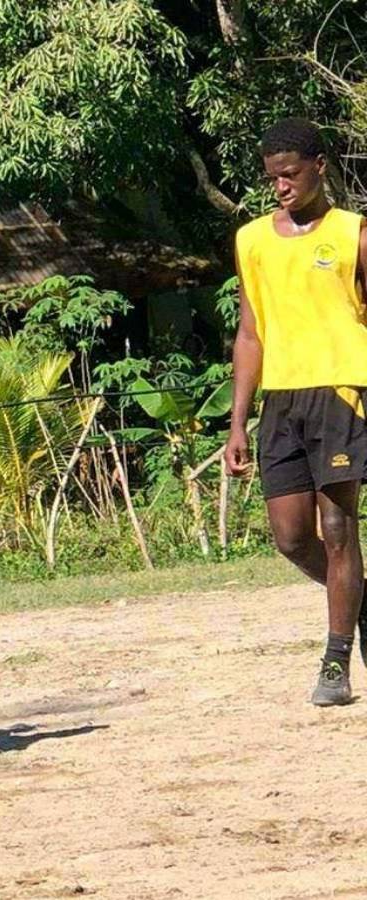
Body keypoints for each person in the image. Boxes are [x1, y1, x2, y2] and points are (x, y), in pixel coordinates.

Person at [224, 117, 367, 706]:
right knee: (289, 537)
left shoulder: (354, 233)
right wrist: (238, 419)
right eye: (273, 178)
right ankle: (360, 601)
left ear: (319, 168)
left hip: (342, 390)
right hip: (281, 401)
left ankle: (335, 660)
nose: (281, 186)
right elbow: (251, 332)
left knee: (337, 528)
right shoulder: (251, 240)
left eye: (290, 174)